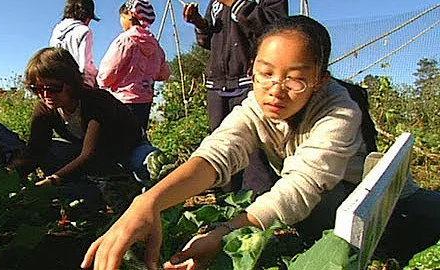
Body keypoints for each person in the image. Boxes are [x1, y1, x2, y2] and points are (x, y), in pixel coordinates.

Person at [81, 16, 440, 270]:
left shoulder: (339, 110)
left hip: (380, 200)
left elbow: (302, 187)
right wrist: (148, 202)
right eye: (265, 73)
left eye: (295, 79)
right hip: (328, 208)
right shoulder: (255, 105)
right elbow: (217, 154)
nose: (275, 90)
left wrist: (223, 233)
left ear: (320, 80)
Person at [8, 47, 155, 211]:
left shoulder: (97, 101)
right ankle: (89, 193)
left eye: (53, 88)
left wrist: (54, 180)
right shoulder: (45, 109)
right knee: (51, 150)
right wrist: (6, 177)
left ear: (70, 82)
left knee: (150, 166)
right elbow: (34, 151)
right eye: (37, 89)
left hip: (127, 148)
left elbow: (90, 154)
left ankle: (140, 198)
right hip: (97, 155)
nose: (45, 94)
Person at [183, 0, 288, 194]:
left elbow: (277, 29)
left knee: (254, 146)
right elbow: (208, 41)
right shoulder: (215, 4)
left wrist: (236, 3)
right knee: (223, 143)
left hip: (251, 80)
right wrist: (198, 23)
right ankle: (227, 202)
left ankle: (258, 205)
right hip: (218, 82)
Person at [97, 0, 170, 131]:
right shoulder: (155, 44)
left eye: (121, 18)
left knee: (122, 138)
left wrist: (102, 82)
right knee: (139, 136)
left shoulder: (125, 40)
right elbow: (164, 73)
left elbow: (108, 72)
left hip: (123, 100)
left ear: (129, 15)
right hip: (145, 100)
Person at [50, 0, 99, 87]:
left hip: (58, 81)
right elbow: (84, 65)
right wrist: (96, 76)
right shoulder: (84, 31)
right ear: (87, 16)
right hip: (78, 83)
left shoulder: (57, 30)